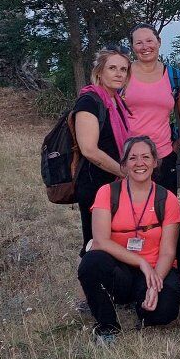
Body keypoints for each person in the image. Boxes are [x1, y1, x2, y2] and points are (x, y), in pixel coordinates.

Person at [77, 135, 180, 345]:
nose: (139, 163)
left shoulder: (167, 199)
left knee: (164, 313)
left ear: (155, 161)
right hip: (120, 269)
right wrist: (141, 263)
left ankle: (142, 303)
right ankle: (107, 326)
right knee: (91, 263)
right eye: (132, 158)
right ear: (124, 164)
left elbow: (168, 252)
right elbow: (100, 241)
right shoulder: (107, 192)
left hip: (154, 269)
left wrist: (154, 284)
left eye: (146, 157)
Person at [72, 48, 133, 253]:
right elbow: (89, 150)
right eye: (112, 68)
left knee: (116, 242)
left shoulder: (117, 102)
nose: (119, 73)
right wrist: (124, 172)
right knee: (95, 246)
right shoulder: (89, 101)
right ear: (99, 72)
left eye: (123, 69)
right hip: (94, 185)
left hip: (115, 184)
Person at [124, 23, 180, 194]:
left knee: (164, 213)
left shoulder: (175, 77)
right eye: (139, 43)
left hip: (163, 158)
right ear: (132, 47)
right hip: (127, 158)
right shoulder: (122, 75)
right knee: (130, 215)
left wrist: (174, 147)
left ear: (159, 42)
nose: (145, 47)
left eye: (149, 41)